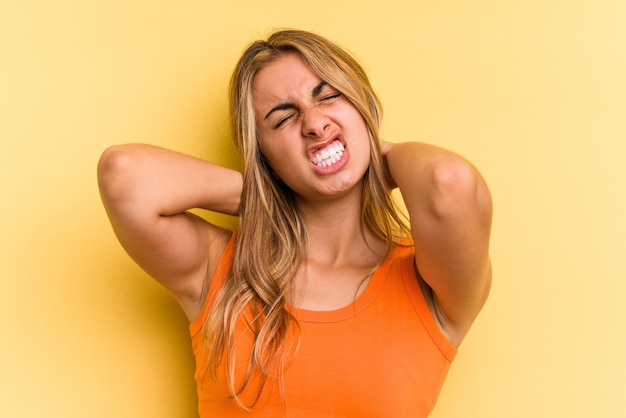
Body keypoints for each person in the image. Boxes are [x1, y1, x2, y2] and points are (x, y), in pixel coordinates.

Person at [98, 29, 492, 417]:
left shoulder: (429, 287)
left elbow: (449, 183)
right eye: (283, 118)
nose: (315, 124)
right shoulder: (221, 271)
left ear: (364, 106)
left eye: (330, 96)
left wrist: (370, 146)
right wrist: (274, 194)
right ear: (262, 154)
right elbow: (124, 174)